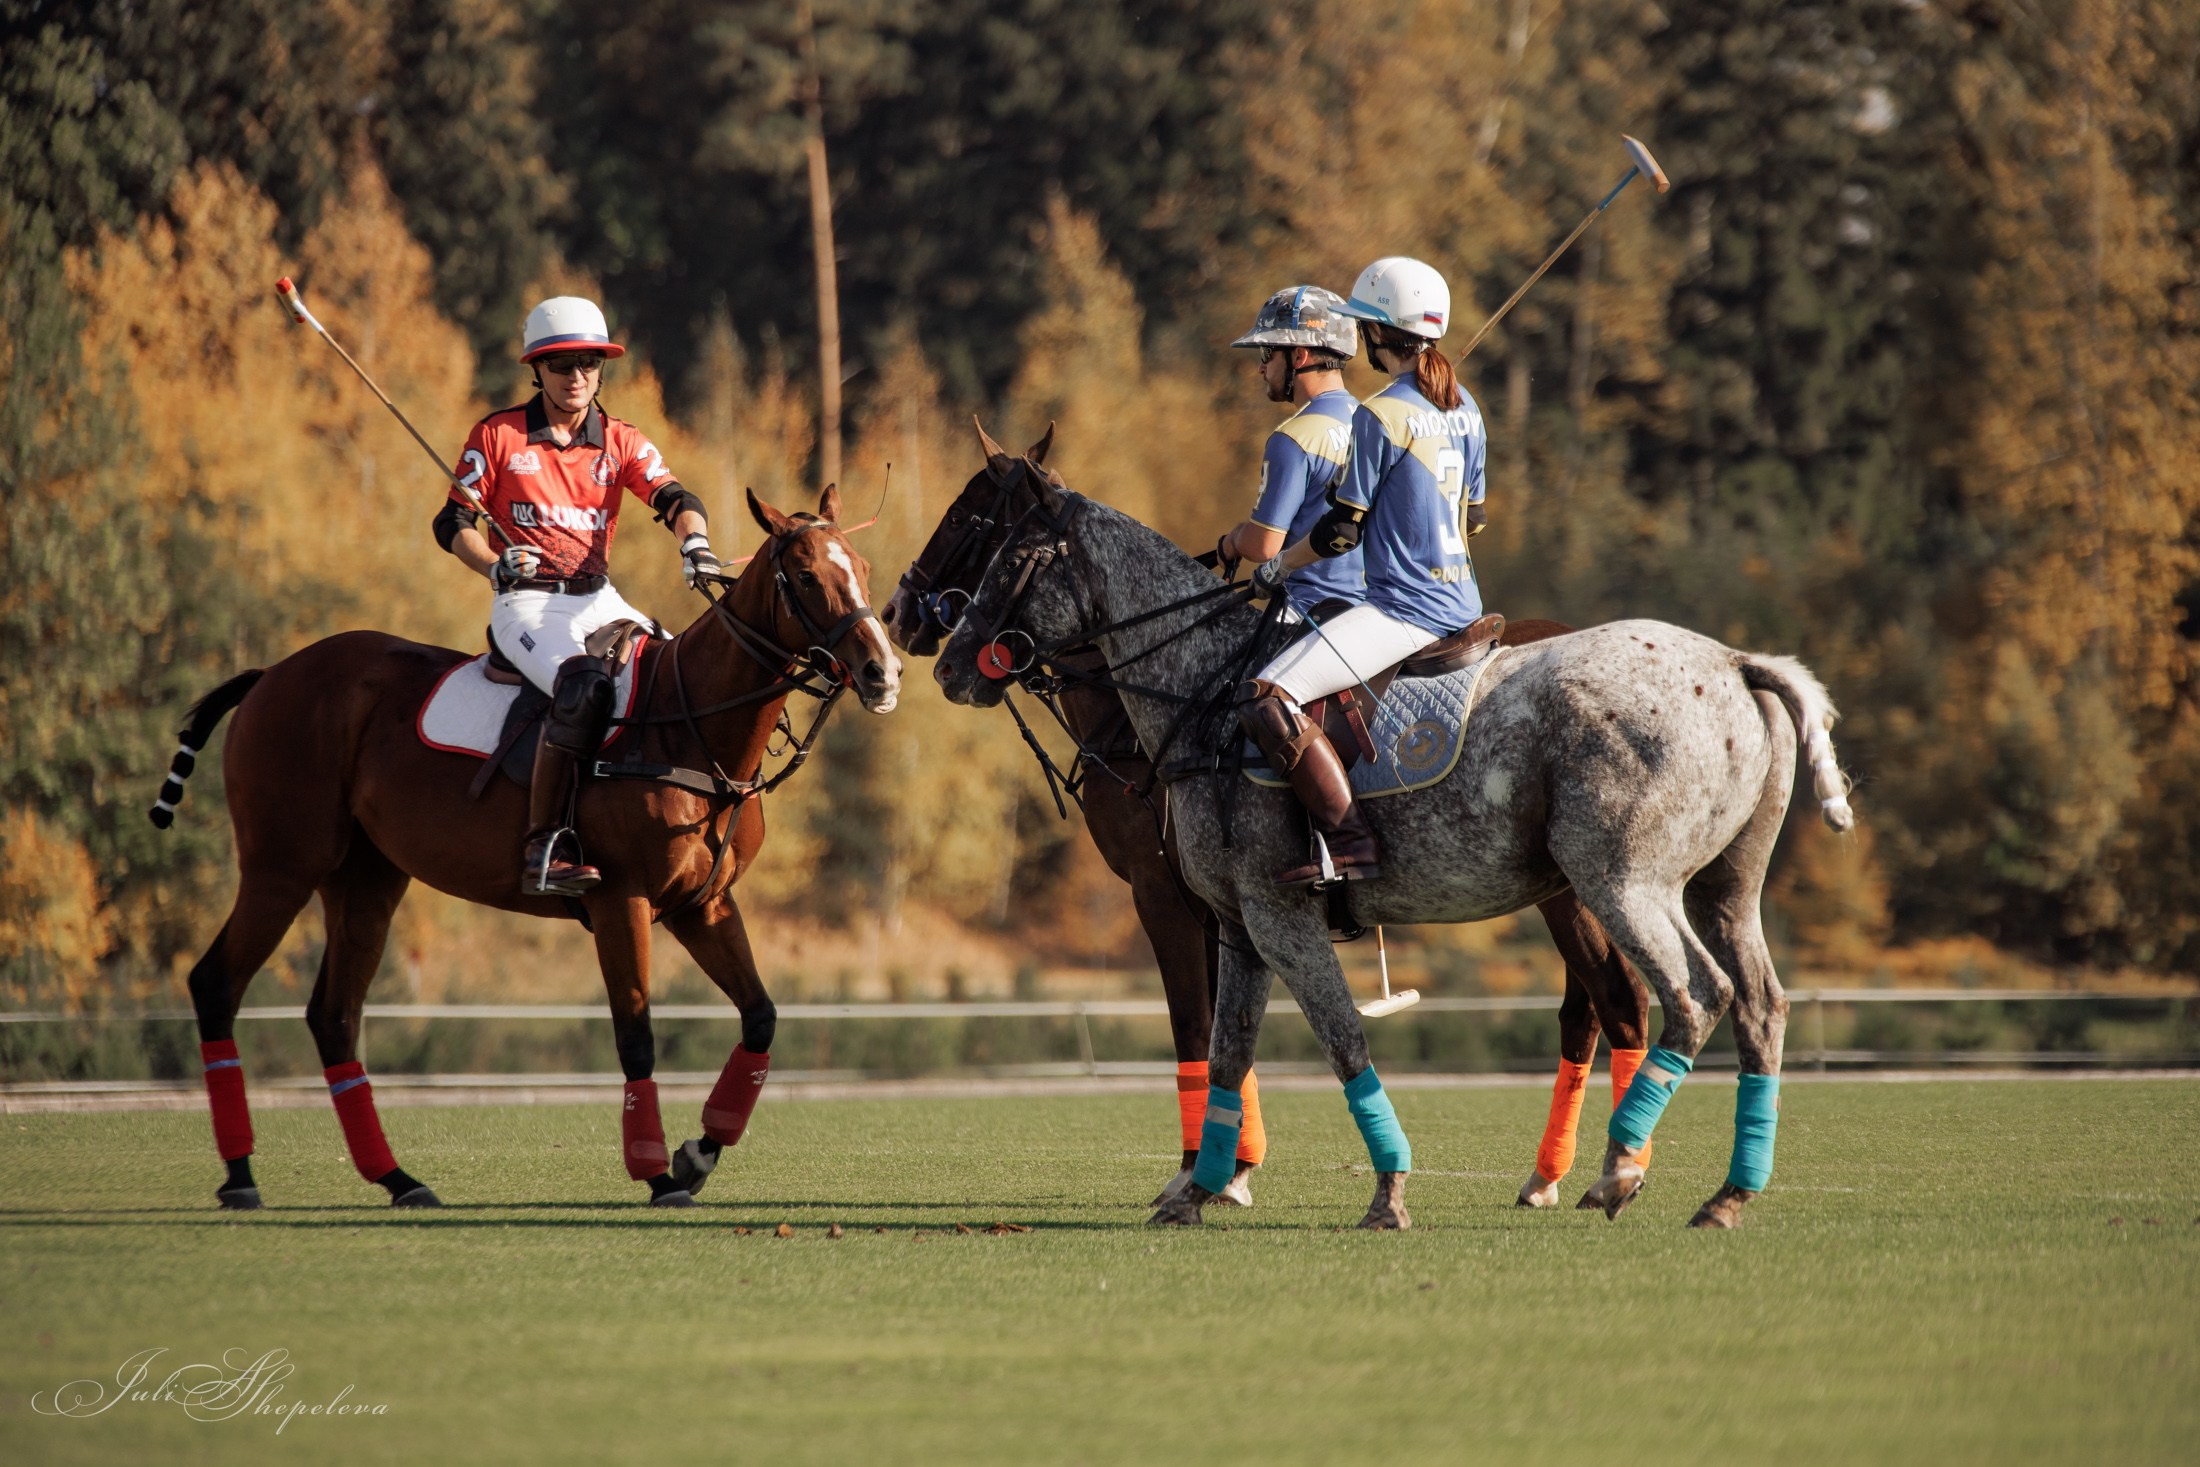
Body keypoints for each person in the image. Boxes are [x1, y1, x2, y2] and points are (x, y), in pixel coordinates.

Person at [433, 296, 722, 896]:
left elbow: (677, 499)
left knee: (679, 672)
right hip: (527, 603)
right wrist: (494, 565)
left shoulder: (619, 440)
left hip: (598, 597)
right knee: (584, 686)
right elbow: (453, 523)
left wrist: (695, 545)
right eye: (563, 364)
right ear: (536, 369)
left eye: (590, 363)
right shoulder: (498, 435)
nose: (577, 377)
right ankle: (545, 844)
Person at [1237, 257, 1488, 888]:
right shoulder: (1466, 406)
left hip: (1406, 611)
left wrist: (1277, 567)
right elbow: (1475, 519)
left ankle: (1349, 844)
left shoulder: (1380, 415)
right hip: (1467, 605)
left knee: (1269, 697)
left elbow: (1338, 532)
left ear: (1376, 334)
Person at [1215, 286, 1364, 617]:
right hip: (1373, 611)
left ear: (1299, 357)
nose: (1261, 368)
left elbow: (1264, 546)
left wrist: (1235, 540)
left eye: (1268, 353)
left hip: (1310, 612)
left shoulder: (1294, 438)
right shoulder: (1374, 422)